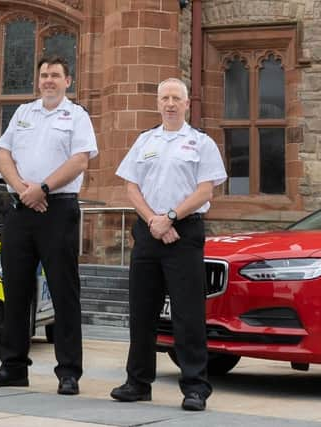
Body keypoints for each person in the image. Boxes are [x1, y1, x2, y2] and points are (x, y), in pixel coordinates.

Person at [0, 55, 98, 395]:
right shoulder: (24, 112)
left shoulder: (77, 116)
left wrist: (42, 188)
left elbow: (80, 160)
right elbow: (3, 154)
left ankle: (69, 372)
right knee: (15, 290)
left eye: (55, 76)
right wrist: (22, 188)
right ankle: (13, 366)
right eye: (44, 75)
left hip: (56, 209)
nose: (48, 80)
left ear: (67, 81)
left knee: (64, 291)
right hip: (19, 208)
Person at [111, 78, 227, 411]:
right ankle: (138, 382)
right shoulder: (145, 140)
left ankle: (195, 387)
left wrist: (171, 217)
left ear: (187, 103)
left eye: (176, 98)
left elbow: (206, 191)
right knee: (142, 312)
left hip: (184, 233)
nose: (170, 103)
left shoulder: (200, 143)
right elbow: (131, 188)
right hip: (149, 232)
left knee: (188, 314)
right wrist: (154, 221)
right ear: (158, 103)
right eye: (165, 98)